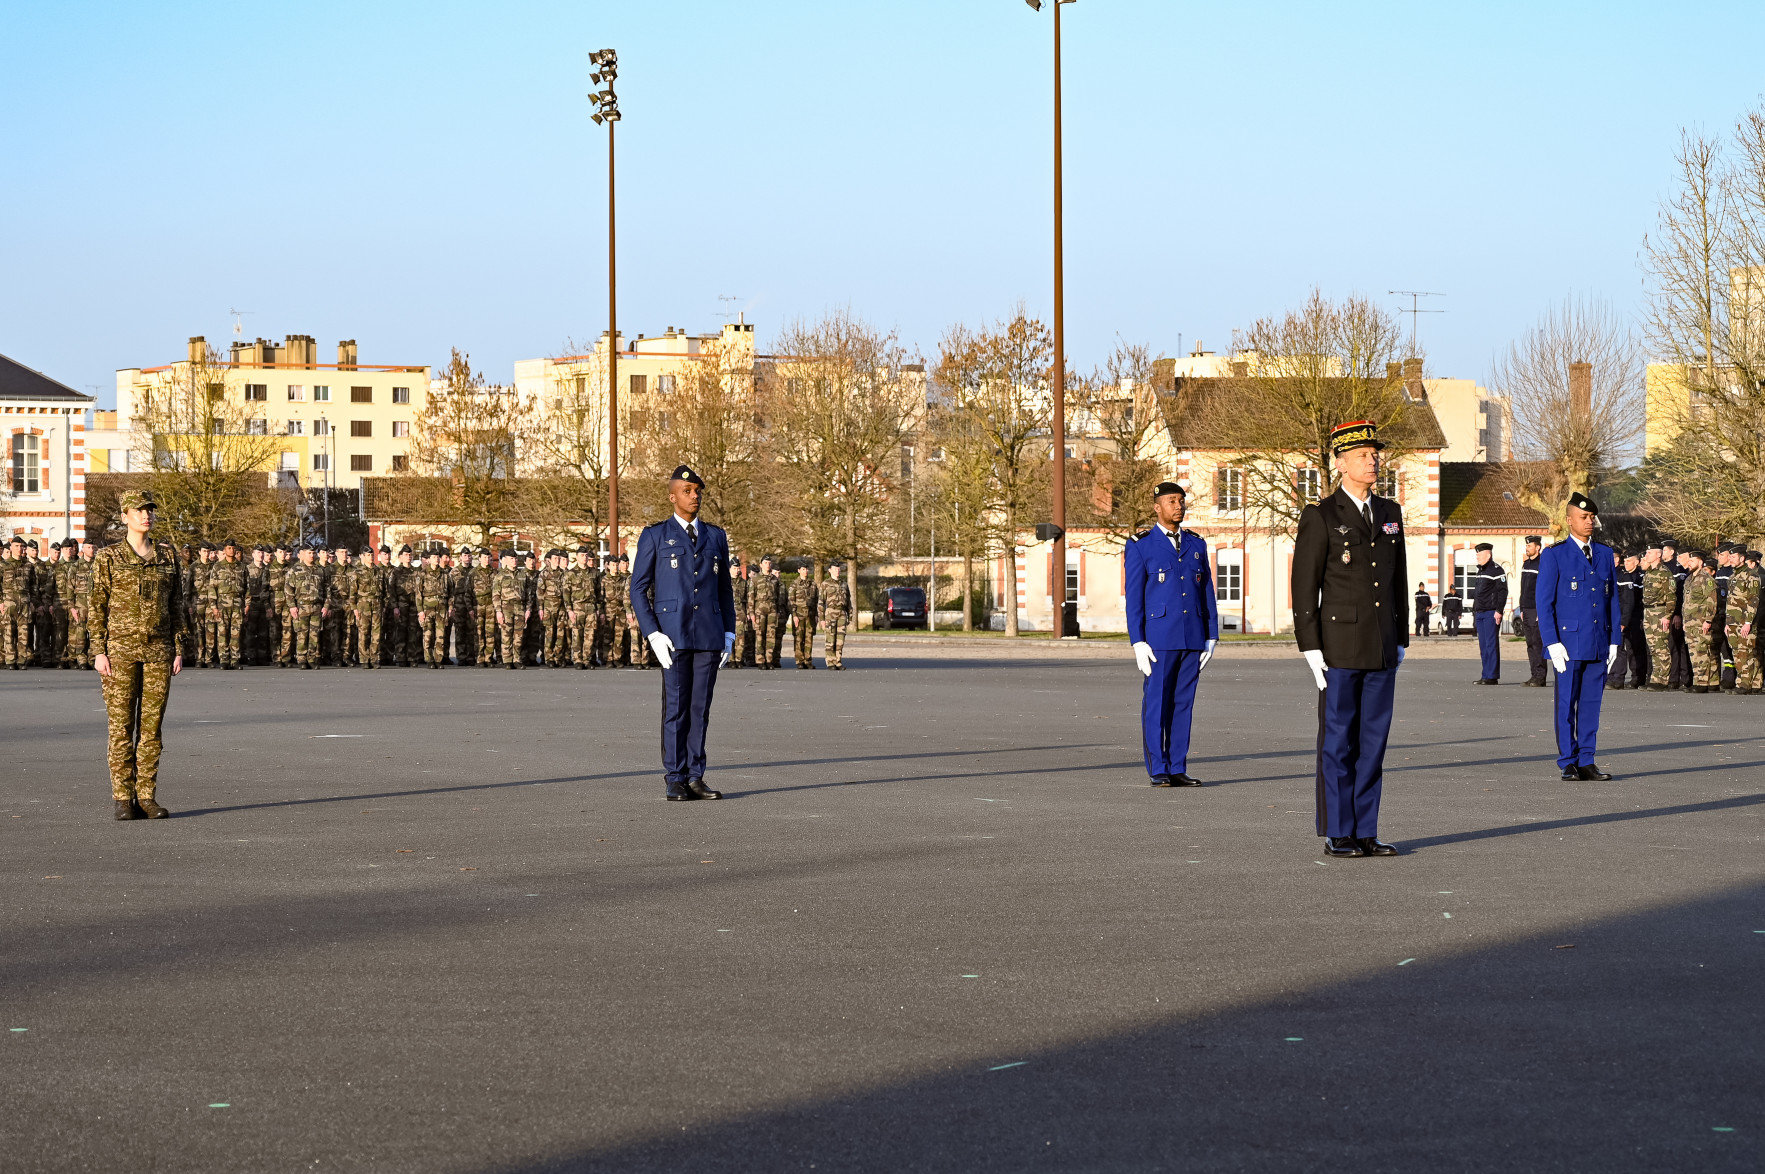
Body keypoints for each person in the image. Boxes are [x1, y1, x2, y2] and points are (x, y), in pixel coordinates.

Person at [1292, 420, 1407, 858]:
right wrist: (1310, 645)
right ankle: (1338, 831)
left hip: (1381, 644)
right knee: (1339, 742)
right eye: (1362, 455)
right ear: (1340, 464)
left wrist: (1401, 635)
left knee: (1373, 743)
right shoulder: (1321, 515)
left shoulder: (1390, 513)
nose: (1372, 460)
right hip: (1338, 646)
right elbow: (1305, 585)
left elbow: (1398, 579)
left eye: (1375, 454)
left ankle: (1365, 830)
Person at [630, 465, 737, 801]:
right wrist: (653, 633)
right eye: (687, 491)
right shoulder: (655, 536)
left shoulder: (715, 536)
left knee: (699, 708)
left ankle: (695, 776)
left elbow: (724, 590)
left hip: (708, 634)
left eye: (697, 491)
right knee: (676, 707)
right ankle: (675, 776)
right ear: (672, 497)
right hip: (672, 636)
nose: (694, 496)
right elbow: (638, 589)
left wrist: (729, 632)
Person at [90, 491, 192, 819]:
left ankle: (146, 796)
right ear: (125, 516)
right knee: (121, 726)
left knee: (151, 727)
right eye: (138, 510)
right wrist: (98, 650)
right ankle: (123, 797)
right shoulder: (109, 557)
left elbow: (176, 605)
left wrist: (178, 648)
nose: (146, 515)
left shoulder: (166, 557)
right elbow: (96, 605)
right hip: (119, 651)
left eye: (149, 510)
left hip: (158, 650)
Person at [1126, 480, 1218, 788]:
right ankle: (1159, 768)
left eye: (1181, 501)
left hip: (1192, 636)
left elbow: (1206, 591)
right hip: (1159, 639)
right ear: (1157, 507)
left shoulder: (1196, 544)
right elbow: (1134, 598)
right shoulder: (1141, 545)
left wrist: (1211, 635)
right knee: (1157, 704)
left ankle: (1178, 766)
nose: (1178, 506)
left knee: (1183, 704)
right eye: (1171, 502)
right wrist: (1138, 641)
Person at [1537, 493, 1622, 781]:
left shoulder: (1604, 554)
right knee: (1566, 704)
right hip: (1568, 644)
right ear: (1569, 520)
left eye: (1592, 517)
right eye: (1584, 517)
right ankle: (1568, 761)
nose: (1590, 522)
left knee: (1590, 705)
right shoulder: (1555, 554)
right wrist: (1551, 642)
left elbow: (1612, 599)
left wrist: (1614, 640)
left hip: (1598, 641)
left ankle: (1587, 760)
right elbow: (1544, 603)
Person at [1682, 550, 1720, 693]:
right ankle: (1713, 682)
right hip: (1690, 622)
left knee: (1701, 651)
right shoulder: (1689, 579)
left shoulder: (1706, 579)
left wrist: (1708, 620)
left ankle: (1701, 683)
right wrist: (1685, 621)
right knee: (1694, 652)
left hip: (1701, 621)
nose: (1689, 563)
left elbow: (1712, 601)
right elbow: (1686, 603)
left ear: (1700, 562)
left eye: (1692, 561)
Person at [1639, 543, 1675, 691]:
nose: (1646, 555)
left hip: (1660, 612)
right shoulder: (1648, 572)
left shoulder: (1664, 572)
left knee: (1661, 646)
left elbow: (1671, 596)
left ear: (1658, 555)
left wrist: (1668, 615)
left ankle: (1663, 679)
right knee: (1652, 647)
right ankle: (1655, 677)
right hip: (1648, 612)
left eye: (1649, 553)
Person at [1470, 543, 1507, 684]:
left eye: (1479, 554)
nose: (1477, 557)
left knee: (1491, 644)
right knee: (1483, 646)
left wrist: (1499, 610)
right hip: (1480, 612)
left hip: (1491, 612)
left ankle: (1492, 676)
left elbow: (1502, 591)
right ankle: (1485, 674)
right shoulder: (1480, 571)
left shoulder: (1496, 570)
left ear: (1488, 555)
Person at [1514, 535, 1547, 686]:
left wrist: (1541, 610)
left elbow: (1544, 589)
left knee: (1537, 642)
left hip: (1536, 608)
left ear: (1537, 547)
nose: (1527, 548)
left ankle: (1540, 676)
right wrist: (1521, 607)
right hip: (1526, 608)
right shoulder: (1526, 564)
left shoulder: (1542, 564)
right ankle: (1534, 675)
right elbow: (1523, 588)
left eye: (1529, 546)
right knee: (1529, 643)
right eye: (1526, 546)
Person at [819, 563, 851, 669]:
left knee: (840, 639)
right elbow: (821, 602)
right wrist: (821, 619)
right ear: (830, 570)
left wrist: (850, 615)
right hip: (830, 613)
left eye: (838, 568)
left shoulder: (844, 584)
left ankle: (838, 661)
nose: (837, 571)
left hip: (842, 613)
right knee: (830, 638)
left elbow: (848, 601)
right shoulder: (825, 584)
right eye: (835, 569)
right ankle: (830, 661)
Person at [788, 567, 818, 669]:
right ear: (799, 570)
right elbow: (791, 601)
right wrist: (794, 615)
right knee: (799, 638)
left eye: (807, 569)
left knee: (809, 638)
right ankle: (799, 660)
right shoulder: (794, 584)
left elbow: (816, 600)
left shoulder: (812, 584)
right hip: (799, 615)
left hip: (810, 615)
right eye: (803, 569)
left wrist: (816, 615)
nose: (805, 571)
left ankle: (808, 660)